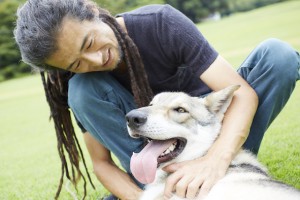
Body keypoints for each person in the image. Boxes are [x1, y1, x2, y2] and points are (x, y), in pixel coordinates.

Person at [14, 0, 300, 199]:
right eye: (76, 64)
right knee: (81, 90)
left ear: (91, 10)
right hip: (156, 163)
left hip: (213, 132)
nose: (96, 59)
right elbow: (101, 164)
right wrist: (141, 197)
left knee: (278, 56)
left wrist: (214, 160)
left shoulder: (160, 23)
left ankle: (222, 168)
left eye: (88, 43)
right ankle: (165, 184)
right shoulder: (86, 87)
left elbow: (242, 94)